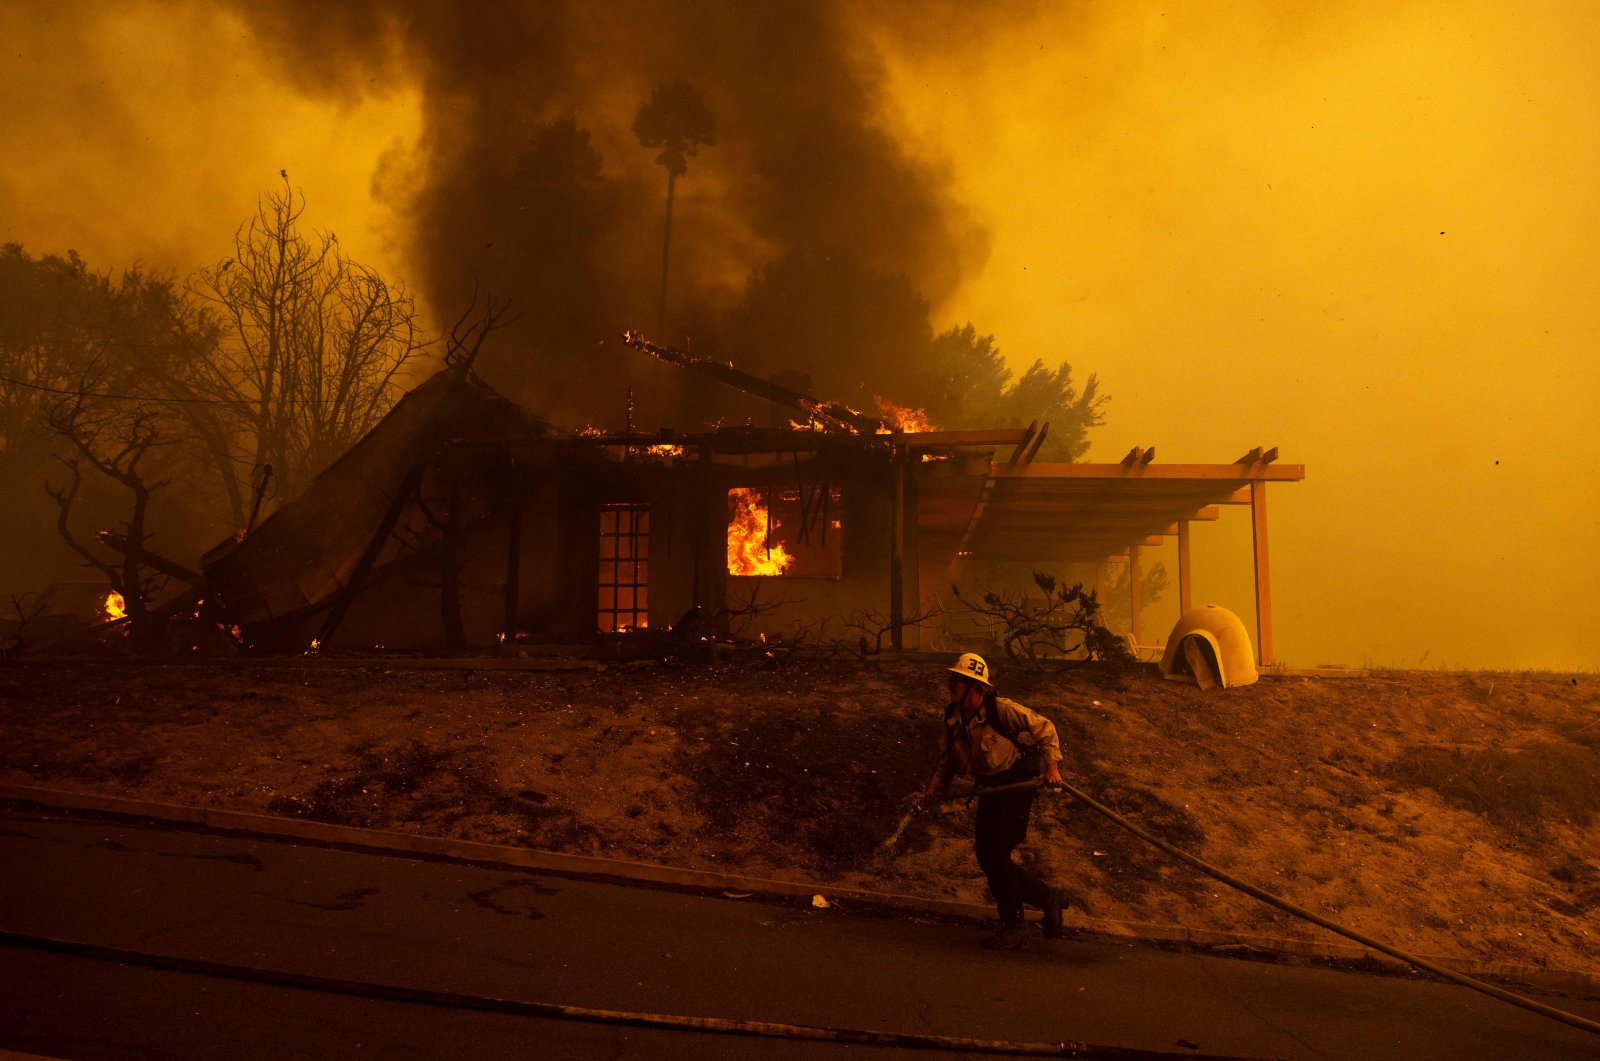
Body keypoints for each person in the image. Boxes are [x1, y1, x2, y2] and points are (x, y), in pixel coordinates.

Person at [918, 652, 1068, 950]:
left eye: (957, 680)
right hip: (989, 790)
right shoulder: (953, 718)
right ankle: (1046, 897)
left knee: (996, 855)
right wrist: (934, 789)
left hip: (1015, 788)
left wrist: (1052, 767)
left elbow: (1045, 728)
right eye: (952, 679)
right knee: (987, 857)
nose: (951, 684)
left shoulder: (1001, 710)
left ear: (975, 685)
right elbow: (947, 760)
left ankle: (1015, 926)